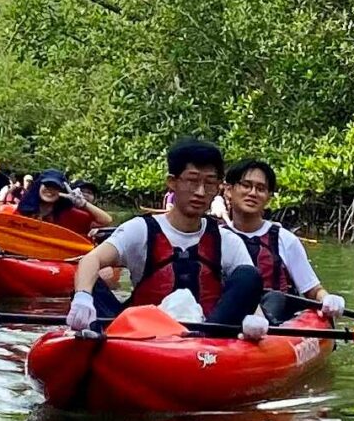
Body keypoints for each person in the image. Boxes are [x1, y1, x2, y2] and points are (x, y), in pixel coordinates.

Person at [66, 139, 267, 342]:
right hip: (140, 334)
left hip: (207, 337)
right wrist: (84, 297)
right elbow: (90, 260)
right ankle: (97, 337)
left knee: (248, 275)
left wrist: (256, 318)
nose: (200, 192)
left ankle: (203, 338)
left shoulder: (226, 239)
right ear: (172, 182)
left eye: (209, 184)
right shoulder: (141, 229)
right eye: (192, 181)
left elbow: (249, 288)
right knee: (88, 283)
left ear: (218, 188)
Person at [220, 158, 347, 325]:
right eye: (246, 185)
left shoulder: (285, 239)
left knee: (275, 298)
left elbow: (313, 291)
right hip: (228, 318)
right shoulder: (216, 237)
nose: (252, 193)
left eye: (261, 189)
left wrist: (328, 299)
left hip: (274, 321)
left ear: (269, 198)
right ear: (229, 190)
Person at [18, 169, 112, 237]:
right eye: (47, 185)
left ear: (62, 191)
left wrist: (83, 203)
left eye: (55, 187)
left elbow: (106, 220)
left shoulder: (70, 214)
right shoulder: (23, 210)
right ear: (38, 187)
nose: (50, 190)